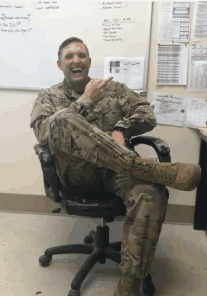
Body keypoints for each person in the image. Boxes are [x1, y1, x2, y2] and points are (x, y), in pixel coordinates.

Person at [30, 37, 201, 296]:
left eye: (82, 55)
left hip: (118, 174)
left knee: (150, 193)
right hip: (79, 174)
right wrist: (86, 101)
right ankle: (146, 167)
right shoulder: (48, 97)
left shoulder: (115, 90)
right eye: (69, 56)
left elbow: (146, 113)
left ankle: (129, 285)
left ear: (89, 61)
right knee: (62, 118)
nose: (76, 60)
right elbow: (44, 134)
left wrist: (122, 128)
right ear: (59, 64)